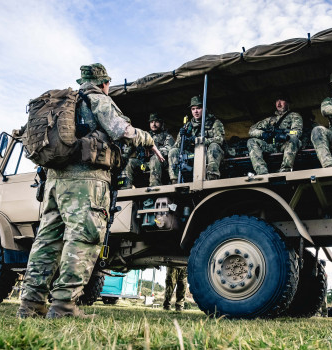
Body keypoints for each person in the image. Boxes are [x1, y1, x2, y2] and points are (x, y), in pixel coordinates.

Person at [17, 63, 165, 319]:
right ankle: (63, 306)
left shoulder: (66, 104)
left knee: (47, 242)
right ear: (105, 82)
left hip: (53, 181)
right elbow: (122, 132)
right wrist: (149, 140)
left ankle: (30, 305)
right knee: (83, 240)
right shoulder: (98, 99)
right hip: (86, 182)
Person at [168, 96, 225, 182]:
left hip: (209, 154)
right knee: (173, 151)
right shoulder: (187, 126)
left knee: (214, 146)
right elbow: (177, 146)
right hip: (192, 156)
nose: (196, 111)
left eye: (198, 108)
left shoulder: (214, 122)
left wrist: (200, 140)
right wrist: (183, 137)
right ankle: (175, 181)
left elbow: (220, 139)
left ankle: (212, 178)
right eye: (193, 109)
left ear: (204, 108)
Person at [247, 93, 303, 173]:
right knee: (251, 141)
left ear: (287, 103)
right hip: (272, 146)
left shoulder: (294, 116)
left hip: (286, 144)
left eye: (282, 100)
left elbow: (297, 132)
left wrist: (284, 134)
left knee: (293, 138)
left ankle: (285, 170)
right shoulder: (270, 120)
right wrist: (263, 134)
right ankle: (262, 172)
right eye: (277, 101)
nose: (279, 103)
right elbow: (251, 130)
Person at [120, 113, 175, 188]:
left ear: (161, 123)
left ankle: (154, 186)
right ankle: (126, 188)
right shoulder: (145, 136)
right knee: (130, 162)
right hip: (145, 164)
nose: (154, 124)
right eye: (152, 122)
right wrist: (123, 157)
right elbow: (131, 145)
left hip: (160, 163)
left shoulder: (167, 136)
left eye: (156, 122)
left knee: (154, 158)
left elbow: (169, 149)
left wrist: (155, 151)